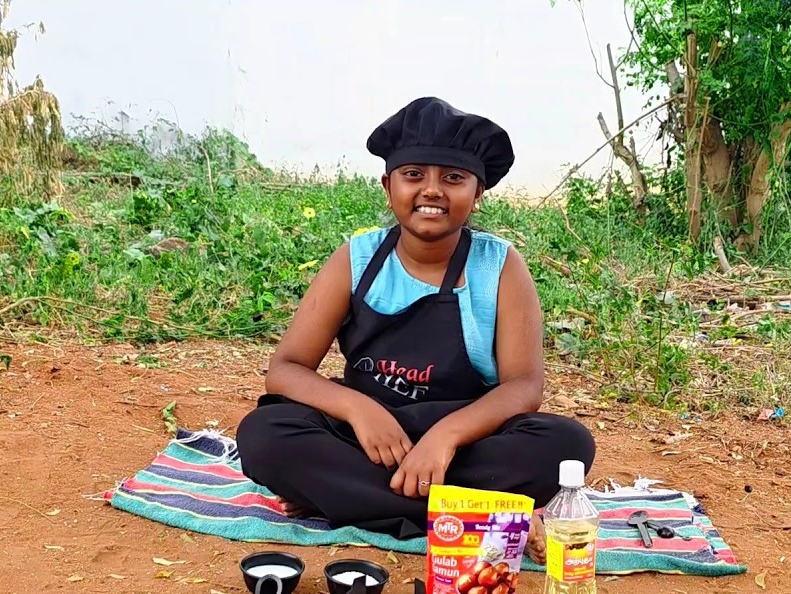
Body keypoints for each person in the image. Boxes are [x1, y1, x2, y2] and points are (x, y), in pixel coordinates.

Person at [236, 97, 596, 562]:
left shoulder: (500, 265)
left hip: (463, 442)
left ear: (478, 192)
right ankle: (481, 514)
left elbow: (524, 385)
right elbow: (285, 369)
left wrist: (445, 437)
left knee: (567, 444)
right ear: (388, 187)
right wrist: (360, 411)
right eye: (414, 175)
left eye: (453, 178)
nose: (432, 191)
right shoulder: (357, 258)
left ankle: (343, 499)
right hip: (368, 439)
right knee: (265, 434)